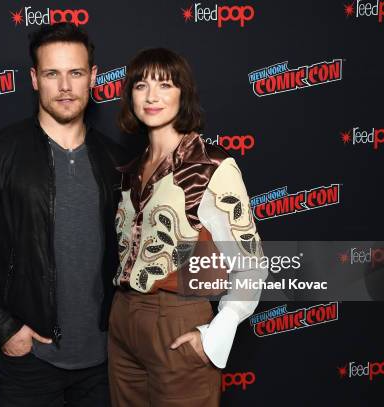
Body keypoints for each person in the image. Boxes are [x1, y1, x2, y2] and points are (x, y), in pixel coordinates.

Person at [0, 23, 124, 407]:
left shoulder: (116, 161)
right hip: (31, 362)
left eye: (75, 73)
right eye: (52, 73)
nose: (65, 86)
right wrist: (6, 330)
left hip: (105, 361)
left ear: (93, 77)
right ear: (34, 78)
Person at [108, 48, 268, 406]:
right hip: (122, 321)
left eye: (165, 84)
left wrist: (216, 333)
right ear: (129, 95)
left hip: (177, 321)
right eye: (141, 85)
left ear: (184, 94)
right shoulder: (129, 172)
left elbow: (252, 263)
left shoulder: (211, 167)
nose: (151, 96)